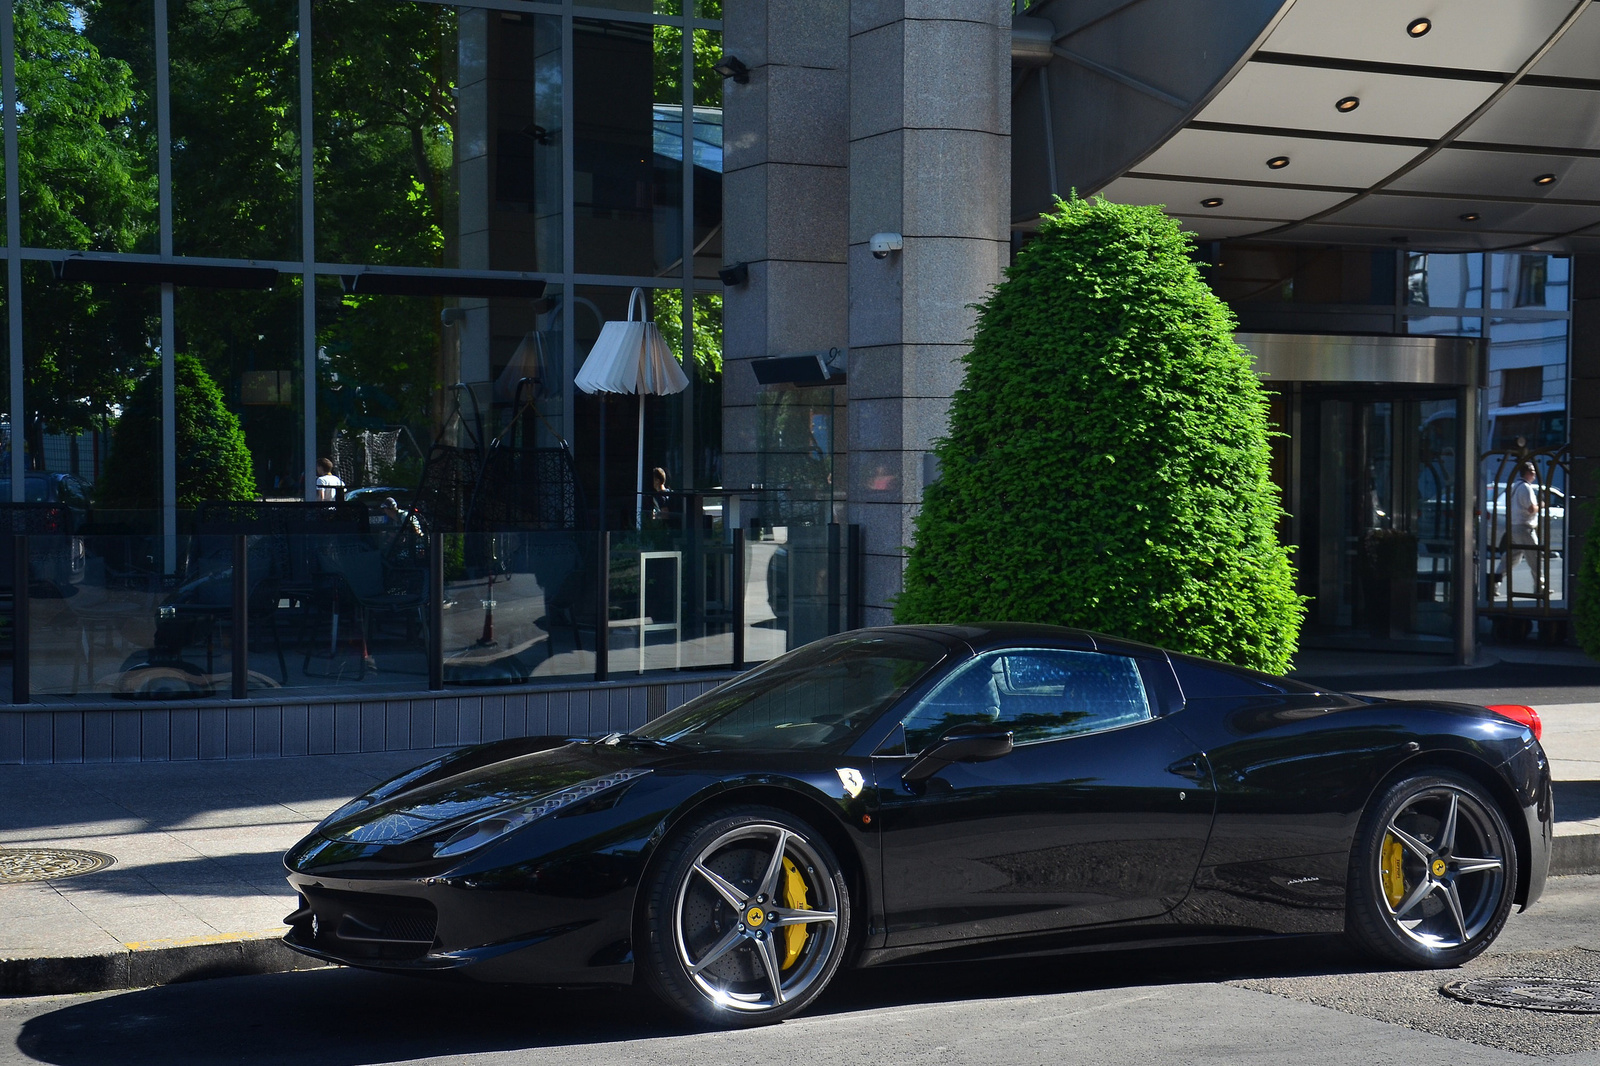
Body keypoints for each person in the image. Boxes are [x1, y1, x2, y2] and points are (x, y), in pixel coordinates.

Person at [1492, 461, 1543, 597]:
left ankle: (1492, 585)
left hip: (1514, 526)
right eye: (1532, 472)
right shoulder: (1526, 488)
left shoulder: (1515, 486)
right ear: (1527, 473)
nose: (1534, 475)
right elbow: (1531, 508)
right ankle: (1539, 587)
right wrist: (1541, 505)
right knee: (1535, 557)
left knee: (1510, 559)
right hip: (1525, 527)